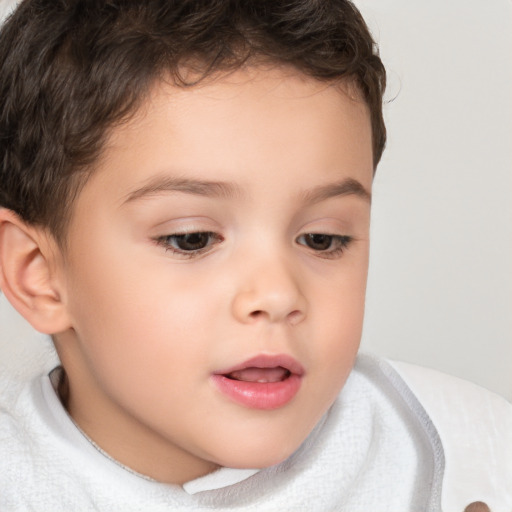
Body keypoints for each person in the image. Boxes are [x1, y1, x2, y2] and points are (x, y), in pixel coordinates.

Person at [0, 1, 510, 510]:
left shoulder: (468, 459)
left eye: (322, 239)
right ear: (38, 275)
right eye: (192, 238)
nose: (277, 294)